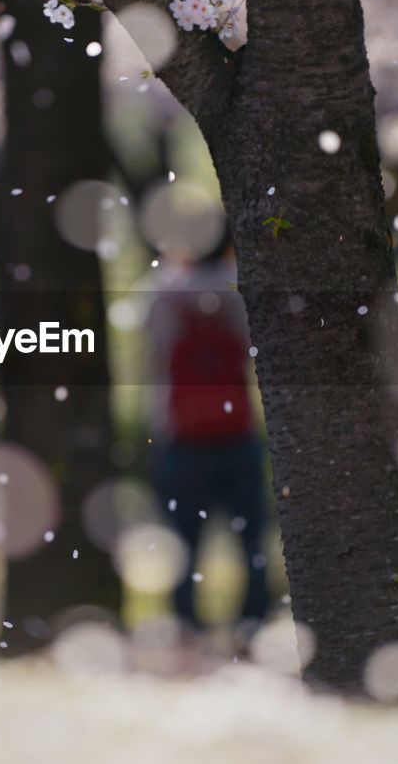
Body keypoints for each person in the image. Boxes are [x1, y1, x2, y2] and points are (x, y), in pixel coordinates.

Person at [145, 235, 270, 635]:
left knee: (183, 542)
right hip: (237, 434)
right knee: (250, 541)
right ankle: (252, 617)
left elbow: (153, 348)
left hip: (183, 438)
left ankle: (186, 622)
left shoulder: (163, 294)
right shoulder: (239, 292)